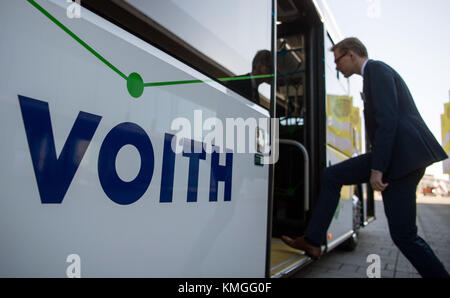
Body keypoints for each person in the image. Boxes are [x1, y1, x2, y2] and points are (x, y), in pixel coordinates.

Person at [281, 37, 449, 278]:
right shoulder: (372, 75)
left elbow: (387, 121)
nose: (336, 66)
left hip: (401, 160)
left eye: (337, 60)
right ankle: (313, 240)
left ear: (350, 54)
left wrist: (378, 168)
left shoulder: (376, 70)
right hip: (398, 158)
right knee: (332, 175)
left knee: (405, 237)